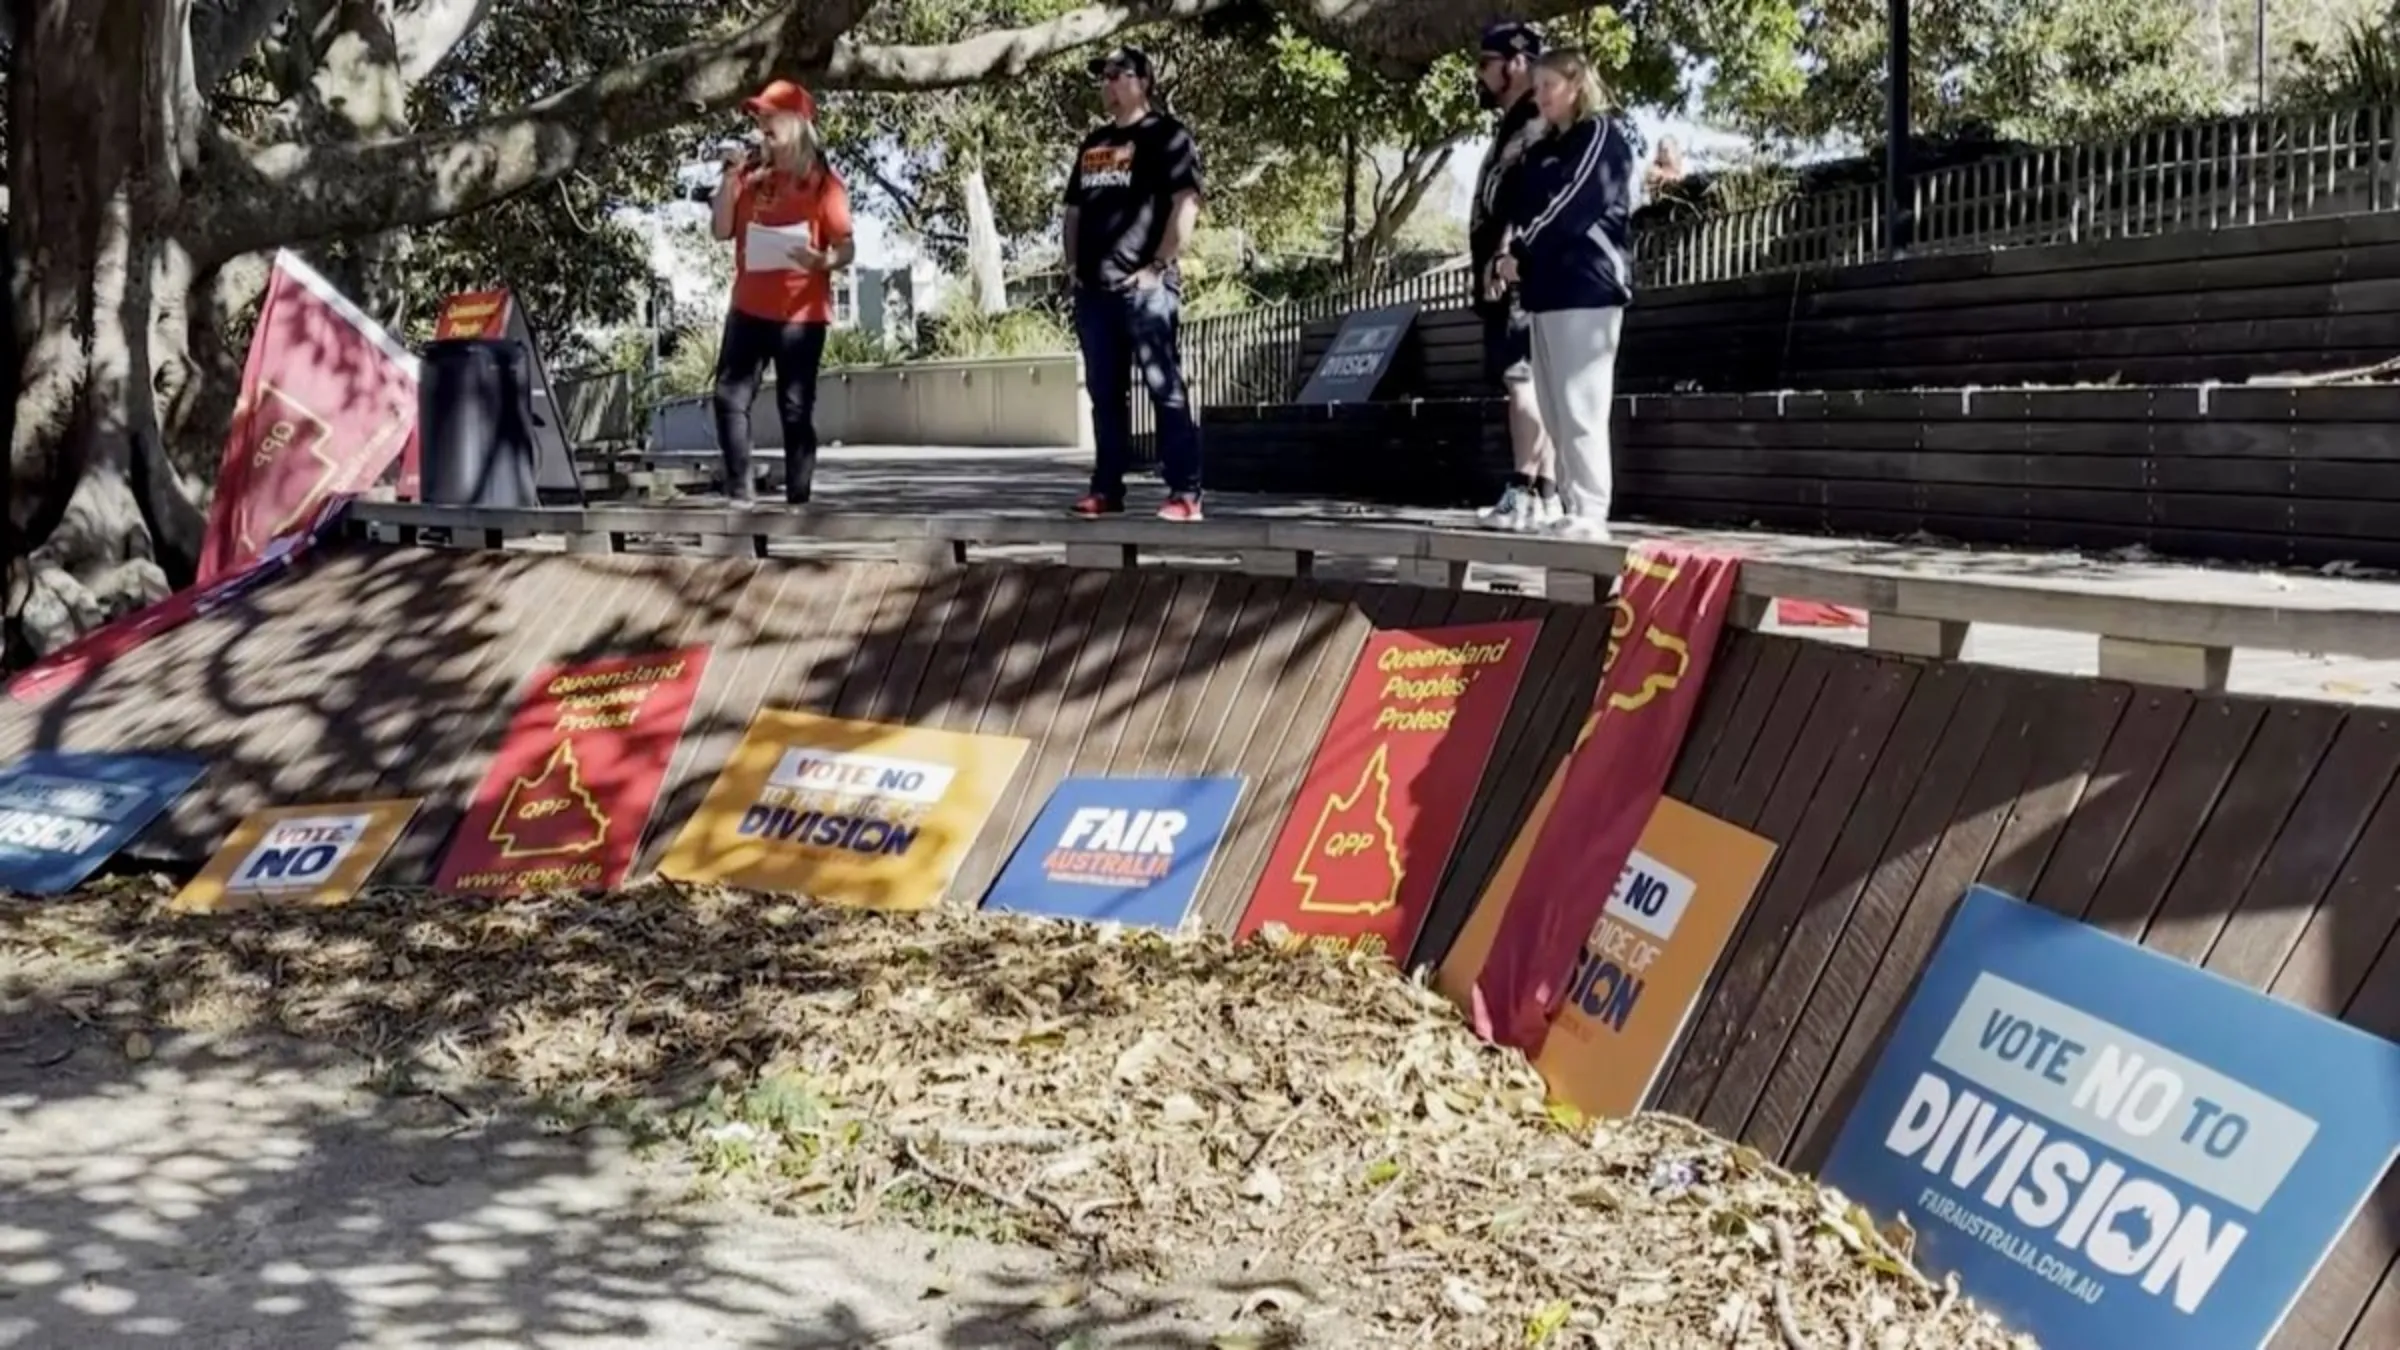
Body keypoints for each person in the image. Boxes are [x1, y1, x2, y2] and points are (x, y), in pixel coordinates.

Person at [1496, 48, 1636, 543]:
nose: (1540, 97)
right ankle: (1572, 503)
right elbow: (1517, 201)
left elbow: (1572, 204)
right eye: (1536, 88)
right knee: (1555, 408)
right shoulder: (1542, 146)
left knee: (1581, 405)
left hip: (1587, 288)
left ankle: (1592, 508)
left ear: (1576, 85)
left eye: (1549, 86)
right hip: (1545, 293)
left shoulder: (1601, 135)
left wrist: (1523, 253)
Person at [1060, 46, 1207, 522]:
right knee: (1104, 395)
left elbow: (1186, 203)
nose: (1107, 83)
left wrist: (1159, 266)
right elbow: (1074, 210)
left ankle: (1185, 492)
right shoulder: (1093, 144)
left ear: (1143, 81)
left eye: (1117, 74)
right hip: (1094, 293)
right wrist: (1072, 268)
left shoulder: (1168, 136)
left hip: (1146, 290)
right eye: (1102, 76)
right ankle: (1106, 489)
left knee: (1164, 388)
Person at [709, 79, 855, 505]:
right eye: (759, 117)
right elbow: (720, 229)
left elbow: (846, 246)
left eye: (771, 116)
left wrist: (821, 261)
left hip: (800, 317)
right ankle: (740, 496)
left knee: (795, 410)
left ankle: (798, 502)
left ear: (798, 122)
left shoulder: (824, 184)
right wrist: (729, 177)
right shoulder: (750, 175)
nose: (762, 124)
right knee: (728, 398)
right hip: (748, 309)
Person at [1466, 21, 1559, 534]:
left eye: (1487, 62)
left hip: (1516, 274)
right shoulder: (1513, 124)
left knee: (1521, 378)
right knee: (1526, 379)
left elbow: (1527, 198)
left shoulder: (1534, 123)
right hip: (1504, 271)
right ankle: (1545, 493)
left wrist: (1504, 254)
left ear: (1516, 62)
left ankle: (1525, 489)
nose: (1481, 73)